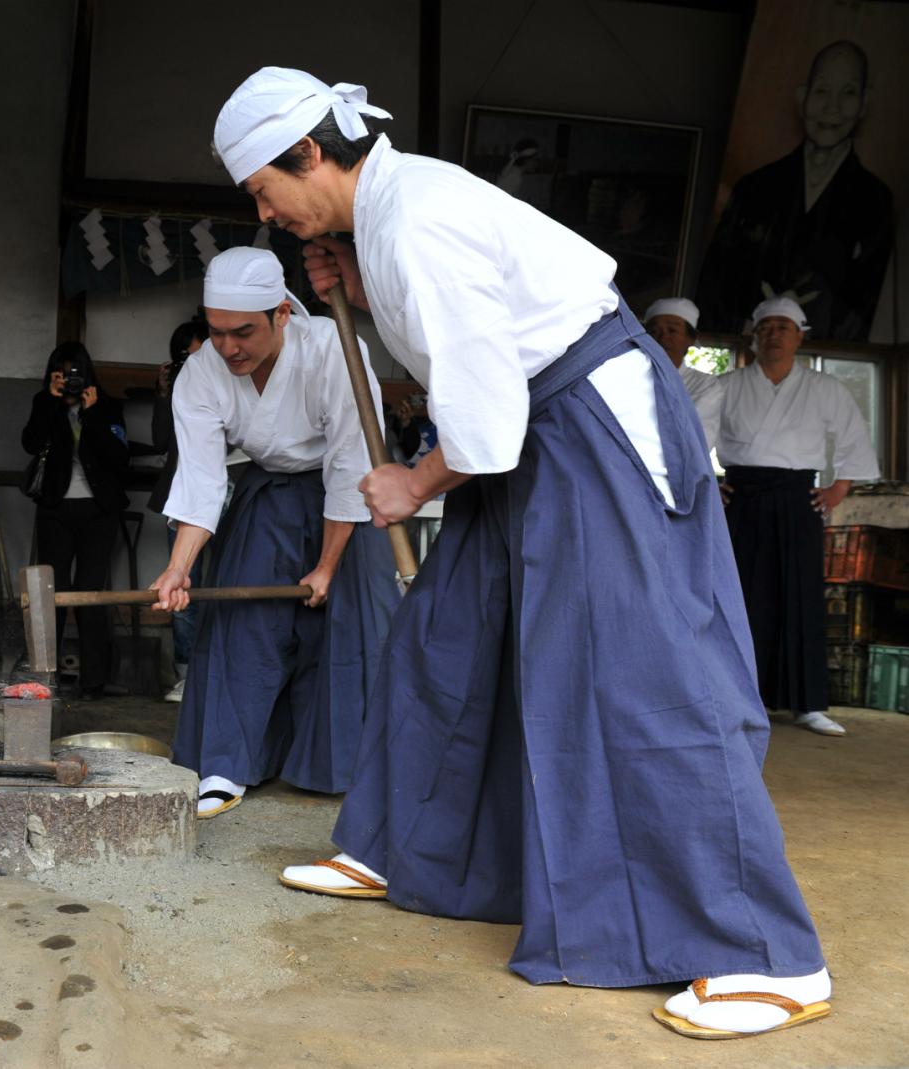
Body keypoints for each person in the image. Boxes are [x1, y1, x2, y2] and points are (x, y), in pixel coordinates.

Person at [213, 66, 832, 1038]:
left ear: (308, 155)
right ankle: (404, 845)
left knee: (640, 675)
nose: (264, 211)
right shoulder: (381, 215)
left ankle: (765, 951)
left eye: (264, 189)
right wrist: (352, 279)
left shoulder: (409, 215)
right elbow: (465, 337)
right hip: (532, 424)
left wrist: (412, 484)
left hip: (588, 423)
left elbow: (486, 421)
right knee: (447, 635)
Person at [148, 246, 401, 818]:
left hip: (349, 504)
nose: (229, 348)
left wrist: (328, 565)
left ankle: (340, 767)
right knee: (245, 626)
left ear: (282, 313)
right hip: (271, 495)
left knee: (347, 627)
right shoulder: (202, 370)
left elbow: (349, 464)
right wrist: (179, 567)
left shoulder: (337, 352)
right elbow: (202, 479)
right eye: (216, 333)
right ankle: (228, 762)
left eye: (243, 332)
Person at [719, 296, 880, 737]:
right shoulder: (728, 385)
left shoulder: (825, 388)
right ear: (754, 335)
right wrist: (706, 482)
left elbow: (853, 438)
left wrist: (840, 486)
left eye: (783, 327)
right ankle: (734, 699)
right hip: (742, 496)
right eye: (766, 326)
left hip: (797, 499)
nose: (773, 334)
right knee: (739, 596)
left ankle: (806, 704)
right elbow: (692, 436)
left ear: (800, 337)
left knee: (802, 594)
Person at [697, 40, 893, 341]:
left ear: (865, 103)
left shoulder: (875, 200)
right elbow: (717, 280)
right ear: (803, 97)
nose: (833, 107)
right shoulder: (754, 188)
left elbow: (865, 301)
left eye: (849, 93)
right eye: (822, 91)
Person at [21, 341, 130, 699]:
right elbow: (31, 443)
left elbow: (118, 458)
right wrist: (52, 401)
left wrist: (93, 414)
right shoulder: (45, 403)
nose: (69, 380)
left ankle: (93, 682)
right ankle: (45, 678)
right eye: (62, 373)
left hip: (98, 511)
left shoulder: (107, 406)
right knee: (52, 592)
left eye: (74, 373)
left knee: (90, 594)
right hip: (56, 509)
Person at [149, 314, 211, 703]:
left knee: (224, 590)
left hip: (233, 503)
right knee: (182, 591)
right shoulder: (179, 392)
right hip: (183, 500)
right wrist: (164, 393)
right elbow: (160, 441)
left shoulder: (235, 386)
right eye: (185, 360)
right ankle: (187, 676)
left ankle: (217, 675)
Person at [643, 297, 724, 450]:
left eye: (672, 330)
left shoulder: (705, 384)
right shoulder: (628, 377)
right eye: (654, 331)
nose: (662, 337)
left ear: (691, 339)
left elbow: (698, 441)